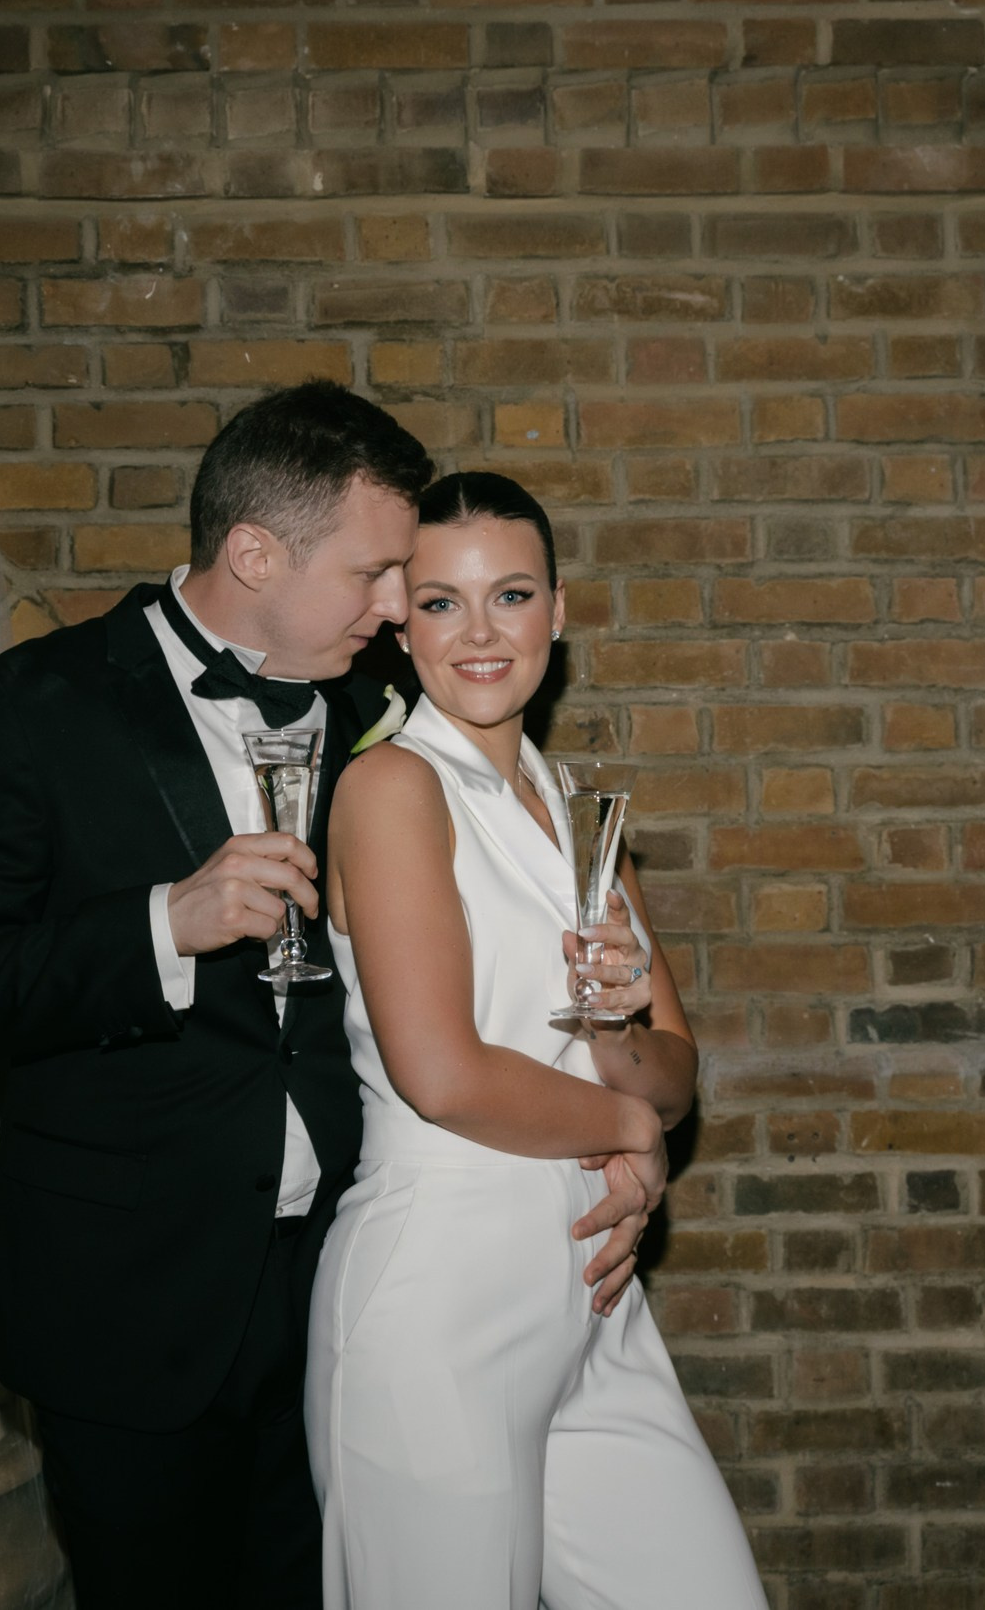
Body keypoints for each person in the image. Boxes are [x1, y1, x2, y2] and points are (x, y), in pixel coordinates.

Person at [0, 385, 650, 1608]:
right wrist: (161, 927)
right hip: (133, 1305)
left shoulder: (378, 707)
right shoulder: (30, 710)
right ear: (254, 553)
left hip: (352, 1291)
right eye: (376, 572)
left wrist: (615, 1110)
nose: (400, 606)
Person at [305, 471, 766, 1607]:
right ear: (399, 623)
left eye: (508, 596)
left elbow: (672, 1076)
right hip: (437, 1301)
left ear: (556, 613)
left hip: (594, 1301)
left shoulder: (570, 802)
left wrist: (614, 1033)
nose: (479, 633)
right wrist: (622, 1129)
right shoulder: (392, 786)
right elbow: (442, 1073)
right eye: (441, 602)